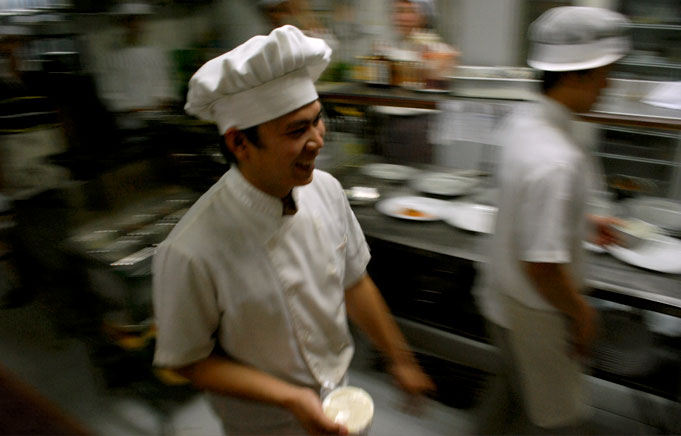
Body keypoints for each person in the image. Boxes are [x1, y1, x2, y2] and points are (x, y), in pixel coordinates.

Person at [152, 25, 433, 436]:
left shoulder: (327, 190)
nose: (317, 140)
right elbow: (187, 359)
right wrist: (290, 398)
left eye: (318, 122)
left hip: (340, 401)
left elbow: (354, 282)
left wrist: (401, 358)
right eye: (297, 131)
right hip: (266, 424)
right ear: (239, 143)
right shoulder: (190, 250)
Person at [475, 6, 629, 434]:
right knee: (557, 421)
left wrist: (581, 222)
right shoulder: (556, 159)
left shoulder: (523, 122)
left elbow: (527, 208)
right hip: (538, 313)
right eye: (604, 72)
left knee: (510, 398)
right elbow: (542, 266)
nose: (608, 84)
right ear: (576, 75)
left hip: (502, 300)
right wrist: (582, 314)